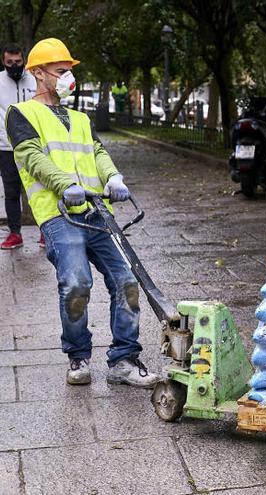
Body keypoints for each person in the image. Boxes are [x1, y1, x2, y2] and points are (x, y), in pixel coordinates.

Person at [6, 38, 161, 388]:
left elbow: (97, 152)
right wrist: (63, 184)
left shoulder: (79, 117)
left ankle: (124, 359)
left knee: (127, 281)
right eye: (61, 71)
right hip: (58, 214)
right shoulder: (21, 114)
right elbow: (32, 156)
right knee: (76, 283)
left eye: (69, 72)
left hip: (96, 211)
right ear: (38, 73)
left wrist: (114, 176)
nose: (67, 78)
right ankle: (78, 355)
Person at [0, 44, 36, 249]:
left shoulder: (34, 80)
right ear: (4, 62)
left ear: (24, 60)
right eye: (9, 63)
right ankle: (15, 233)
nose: (14, 66)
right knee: (11, 192)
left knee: (39, 190)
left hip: (33, 146)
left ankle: (45, 233)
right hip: (6, 148)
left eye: (18, 62)